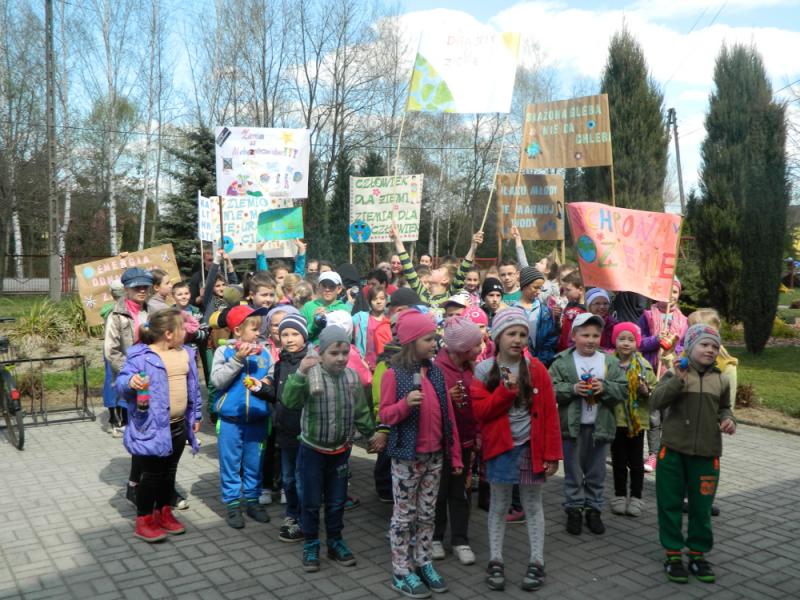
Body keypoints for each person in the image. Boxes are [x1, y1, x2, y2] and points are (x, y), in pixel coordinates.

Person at [471, 307, 562, 592]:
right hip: (500, 448)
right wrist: (505, 392)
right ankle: (495, 559)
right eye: (511, 333)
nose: (517, 339)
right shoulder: (484, 370)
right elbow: (481, 412)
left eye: (523, 334)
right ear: (497, 337)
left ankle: (537, 561)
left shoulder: (537, 369)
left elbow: (549, 414)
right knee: (498, 505)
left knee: (533, 505)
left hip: (530, 447)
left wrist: (552, 454)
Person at [380, 309, 463, 598]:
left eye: (434, 338)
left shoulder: (436, 373)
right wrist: (404, 405)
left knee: (428, 514)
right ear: (411, 341)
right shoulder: (393, 374)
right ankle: (401, 570)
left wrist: (455, 456)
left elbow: (448, 416)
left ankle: (424, 561)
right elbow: (386, 415)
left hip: (435, 456)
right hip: (407, 457)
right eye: (428, 339)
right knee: (404, 517)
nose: (434, 344)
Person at [282, 326, 378, 572]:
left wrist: (372, 435)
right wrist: (300, 373)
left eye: (345, 352)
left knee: (336, 501)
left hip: (340, 452)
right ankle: (311, 542)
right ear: (321, 353)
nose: (341, 358)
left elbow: (361, 412)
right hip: (312, 451)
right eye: (334, 353)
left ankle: (335, 541)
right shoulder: (311, 375)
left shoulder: (352, 377)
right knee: (311, 501)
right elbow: (290, 401)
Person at [651, 324, 735, 585]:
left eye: (714, 346)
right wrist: (677, 380)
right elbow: (656, 402)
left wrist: (728, 419)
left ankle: (698, 554)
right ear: (689, 347)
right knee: (670, 505)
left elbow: (725, 408)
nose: (710, 350)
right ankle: (673, 555)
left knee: (701, 508)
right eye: (704, 344)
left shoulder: (721, 378)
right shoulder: (674, 373)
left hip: (707, 455)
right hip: (673, 453)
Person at [116, 308, 202, 542]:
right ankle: (144, 519)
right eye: (182, 328)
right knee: (152, 475)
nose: (186, 331)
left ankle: (163, 512)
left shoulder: (186, 353)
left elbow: (194, 388)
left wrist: (195, 416)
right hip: (152, 428)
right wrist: (130, 381)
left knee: (169, 472)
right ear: (168, 334)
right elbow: (121, 383)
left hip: (178, 425)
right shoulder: (142, 356)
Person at [548, 313, 627, 536]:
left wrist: (606, 388)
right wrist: (572, 389)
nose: (590, 340)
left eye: (595, 335)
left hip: (600, 428)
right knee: (573, 472)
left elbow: (622, 390)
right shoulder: (562, 361)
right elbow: (550, 389)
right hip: (572, 428)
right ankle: (574, 509)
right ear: (574, 336)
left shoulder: (609, 361)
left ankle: (594, 509)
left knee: (596, 472)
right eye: (585, 335)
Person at [210, 305, 272, 529]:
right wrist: (237, 359)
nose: (258, 334)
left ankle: (253, 501)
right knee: (230, 464)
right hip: (230, 422)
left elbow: (271, 376)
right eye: (254, 329)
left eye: (260, 329)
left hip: (257, 420)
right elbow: (217, 380)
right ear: (237, 331)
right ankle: (233, 504)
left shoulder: (264, 353)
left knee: (254, 464)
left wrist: (265, 383)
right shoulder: (223, 352)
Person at [431, 316, 483, 566]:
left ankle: (460, 539)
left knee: (461, 493)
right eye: (476, 344)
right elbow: (427, 408)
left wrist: (478, 435)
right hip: (441, 445)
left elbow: (479, 405)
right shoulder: (436, 370)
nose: (481, 348)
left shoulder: (473, 368)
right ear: (462, 348)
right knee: (439, 492)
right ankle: (435, 537)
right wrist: (445, 398)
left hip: (465, 443)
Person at [105, 268, 153, 503]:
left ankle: (152, 483)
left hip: (154, 378)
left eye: (145, 286)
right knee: (142, 432)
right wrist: (130, 373)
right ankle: (136, 485)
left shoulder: (152, 310)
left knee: (153, 431)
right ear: (126, 289)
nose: (142, 290)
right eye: (137, 287)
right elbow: (111, 351)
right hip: (133, 381)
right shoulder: (117, 316)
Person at [264, 313, 311, 542]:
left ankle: (303, 519)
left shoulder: (309, 363)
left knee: (302, 480)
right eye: (285, 334)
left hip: (304, 431)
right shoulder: (280, 363)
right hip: (284, 430)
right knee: (288, 478)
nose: (289, 339)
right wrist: (260, 389)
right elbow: (275, 394)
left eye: (295, 334)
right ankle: (292, 514)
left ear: (304, 336)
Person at [639, 279, 688, 473]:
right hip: (651, 372)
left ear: (679, 294)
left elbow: (684, 346)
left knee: (668, 416)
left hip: (670, 374)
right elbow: (639, 342)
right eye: (666, 292)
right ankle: (653, 454)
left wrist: (673, 347)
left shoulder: (684, 321)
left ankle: (666, 453)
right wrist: (655, 340)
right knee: (653, 417)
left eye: (674, 292)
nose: (670, 296)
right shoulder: (647, 316)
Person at [609, 323, 656, 518]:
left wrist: (647, 391)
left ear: (637, 343)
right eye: (622, 339)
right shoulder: (608, 364)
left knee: (636, 463)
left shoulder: (644, 366)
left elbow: (655, 391)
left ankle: (636, 497)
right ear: (615, 341)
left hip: (636, 422)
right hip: (616, 420)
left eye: (631, 339)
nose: (626, 343)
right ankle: (620, 495)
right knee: (618, 462)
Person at [391, 223, 482, 314]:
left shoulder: (451, 295)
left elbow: (462, 271)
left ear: (445, 279)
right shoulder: (422, 293)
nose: (433, 270)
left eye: (439, 270)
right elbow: (408, 268)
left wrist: (473, 247)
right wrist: (397, 240)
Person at [514, 267, 558, 367]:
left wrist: (542, 361)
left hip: (542, 363)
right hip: (519, 362)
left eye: (540, 288)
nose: (538, 292)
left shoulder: (544, 311)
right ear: (524, 285)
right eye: (535, 287)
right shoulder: (513, 311)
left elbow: (550, 338)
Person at [101, 280, 126, 435]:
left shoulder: (108, 309)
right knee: (116, 380)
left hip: (114, 348)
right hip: (117, 349)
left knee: (114, 380)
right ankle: (117, 417)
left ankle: (116, 417)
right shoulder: (115, 311)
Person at [301, 271, 350, 342]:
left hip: (335, 347)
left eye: (332, 286)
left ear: (339, 289)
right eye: (324, 286)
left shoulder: (343, 309)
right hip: (313, 347)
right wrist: (315, 324)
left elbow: (348, 337)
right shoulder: (308, 306)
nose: (327, 289)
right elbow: (301, 334)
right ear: (318, 287)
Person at [353, 286, 392, 370]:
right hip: (364, 365)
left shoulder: (391, 321)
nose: (379, 302)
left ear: (386, 300)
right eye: (375, 299)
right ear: (369, 302)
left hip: (384, 366)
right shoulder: (361, 318)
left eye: (382, 298)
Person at [556, 271, 586, 352]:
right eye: (564, 290)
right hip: (563, 351)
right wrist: (556, 317)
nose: (565, 293)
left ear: (580, 290)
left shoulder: (587, 310)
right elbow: (561, 329)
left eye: (568, 290)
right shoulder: (569, 305)